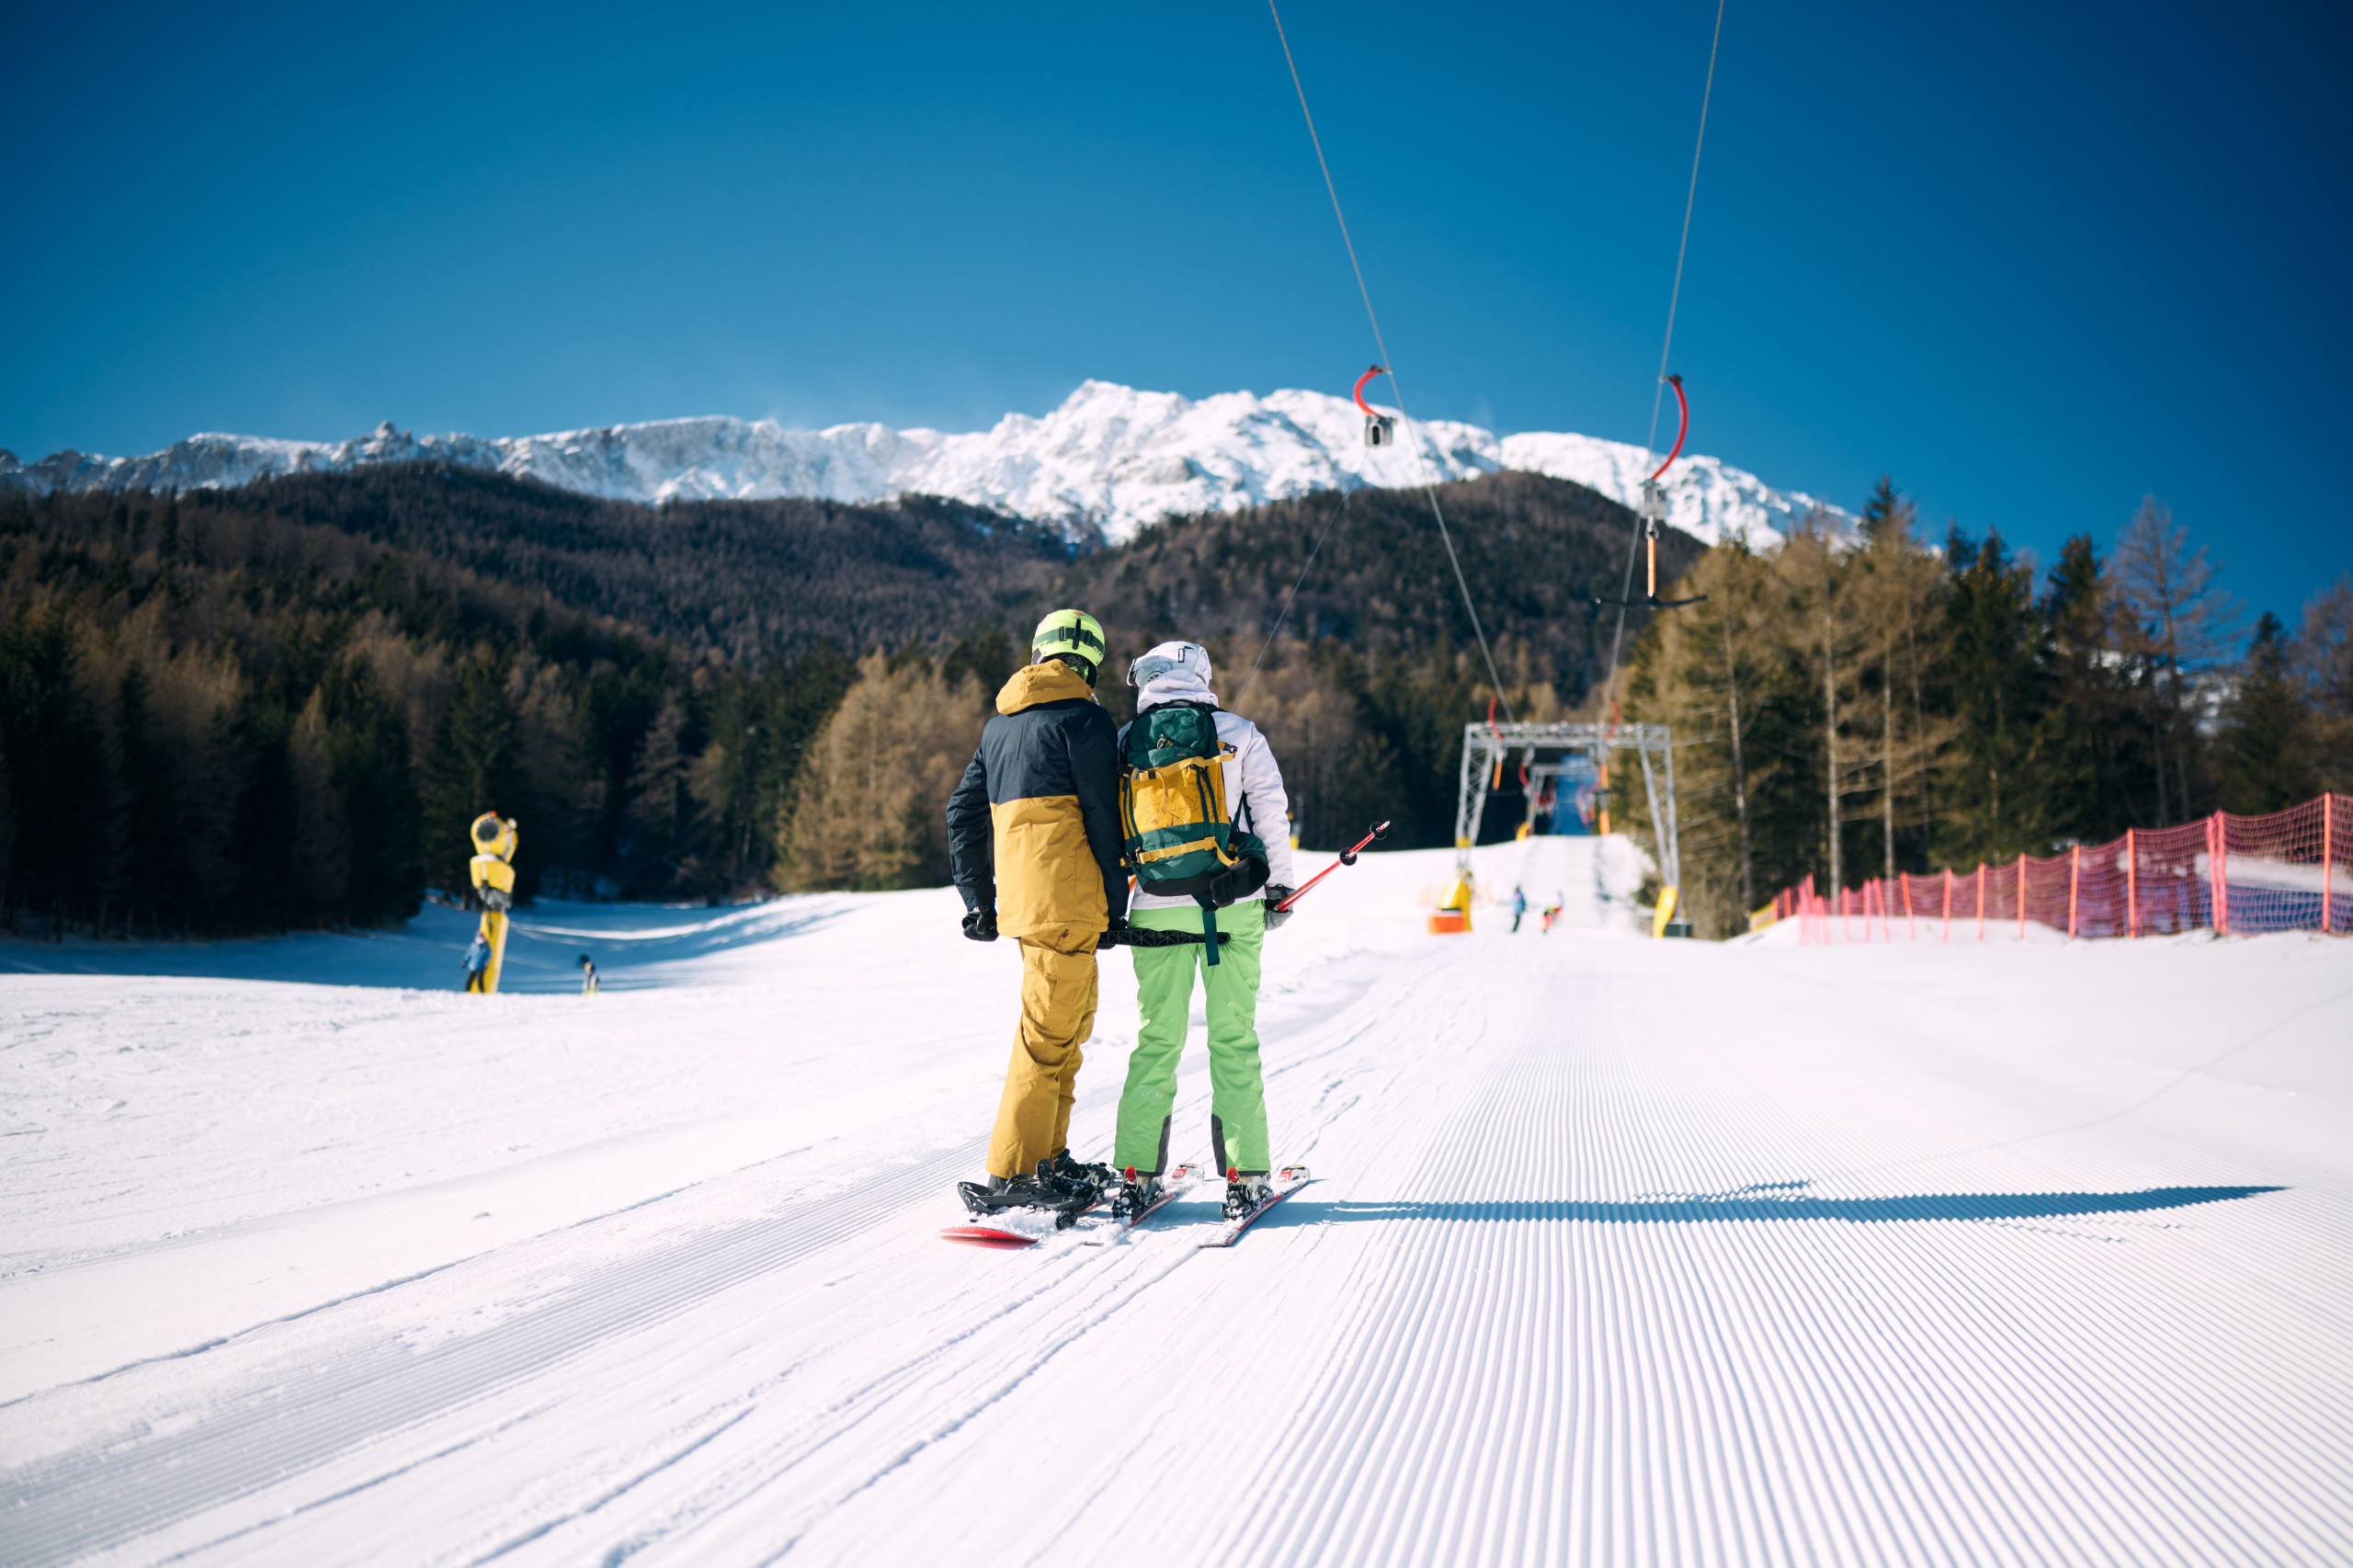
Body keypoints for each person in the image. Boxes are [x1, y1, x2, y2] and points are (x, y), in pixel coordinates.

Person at [945, 608, 1130, 1218]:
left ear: (1038, 653)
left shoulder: (998, 728)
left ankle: (1049, 1157)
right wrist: (1117, 907)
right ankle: (1013, 1173)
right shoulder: (1085, 720)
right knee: (1047, 1040)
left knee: (1065, 1034)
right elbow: (1104, 819)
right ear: (1090, 664)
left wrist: (979, 899)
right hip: (1072, 903)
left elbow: (961, 812)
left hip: (1028, 909)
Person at [1110, 641, 1300, 1220]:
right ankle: (1246, 1176)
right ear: (1202, 675)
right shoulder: (1240, 734)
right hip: (1230, 904)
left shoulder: (1125, 741)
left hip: (1153, 907)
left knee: (1156, 1040)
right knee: (1233, 1039)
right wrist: (1279, 889)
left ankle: (1136, 1174)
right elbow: (1269, 811)